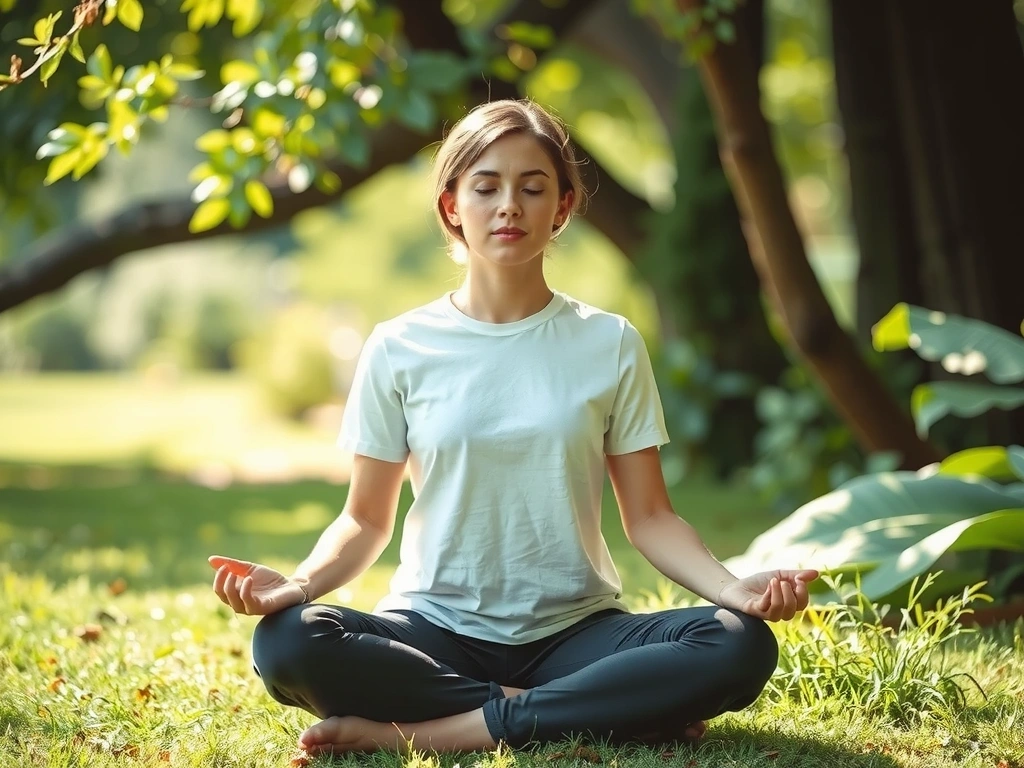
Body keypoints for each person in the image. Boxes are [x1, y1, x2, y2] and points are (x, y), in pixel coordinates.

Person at [209, 98, 818, 758]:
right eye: (486, 187)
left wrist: (733, 589)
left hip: (577, 633)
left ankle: (436, 732)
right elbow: (364, 520)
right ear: (451, 206)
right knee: (288, 641)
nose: (509, 207)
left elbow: (649, 517)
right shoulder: (398, 347)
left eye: (532, 188)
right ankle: (584, 709)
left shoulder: (610, 342)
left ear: (562, 207)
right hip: (434, 630)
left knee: (738, 644)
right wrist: (298, 586)